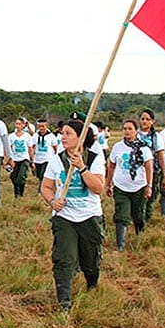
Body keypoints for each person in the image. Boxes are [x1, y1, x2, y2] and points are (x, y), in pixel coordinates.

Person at [40, 118, 106, 311]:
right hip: (65, 217)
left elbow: (98, 188)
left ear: (81, 137)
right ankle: (64, 302)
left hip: (89, 216)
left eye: (68, 134)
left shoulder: (94, 158)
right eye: (62, 133)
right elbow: (46, 187)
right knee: (64, 257)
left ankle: (92, 284)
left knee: (90, 259)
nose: (63, 137)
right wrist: (53, 201)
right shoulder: (57, 159)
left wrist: (82, 168)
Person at [107, 120, 154, 251]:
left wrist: (149, 186)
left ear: (136, 131)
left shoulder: (144, 148)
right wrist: (108, 184)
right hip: (121, 187)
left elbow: (149, 168)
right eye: (125, 128)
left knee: (138, 214)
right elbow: (111, 166)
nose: (127, 131)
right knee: (121, 214)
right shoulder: (117, 147)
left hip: (139, 187)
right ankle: (120, 245)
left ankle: (140, 236)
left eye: (130, 128)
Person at [138, 109, 165, 223]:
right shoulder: (135, 134)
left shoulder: (156, 137)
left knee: (150, 198)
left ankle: (146, 220)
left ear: (152, 121)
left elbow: (161, 157)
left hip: (153, 171)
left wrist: (164, 176)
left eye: (147, 119)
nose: (144, 121)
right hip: (137, 172)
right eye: (142, 119)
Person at [7, 117, 35, 198]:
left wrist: (32, 160)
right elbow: (8, 148)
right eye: (16, 124)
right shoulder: (11, 136)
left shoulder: (27, 136)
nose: (18, 126)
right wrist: (8, 159)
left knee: (21, 177)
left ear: (23, 125)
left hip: (24, 159)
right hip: (15, 159)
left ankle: (21, 194)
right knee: (14, 177)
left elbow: (30, 149)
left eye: (19, 124)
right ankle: (16, 194)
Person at [32, 118, 58, 192]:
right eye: (39, 126)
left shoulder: (51, 136)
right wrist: (32, 158)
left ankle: (41, 190)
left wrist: (55, 157)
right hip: (37, 159)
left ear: (46, 126)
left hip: (47, 159)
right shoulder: (35, 136)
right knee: (38, 175)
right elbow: (33, 147)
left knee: (43, 175)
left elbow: (55, 147)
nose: (41, 128)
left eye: (43, 126)